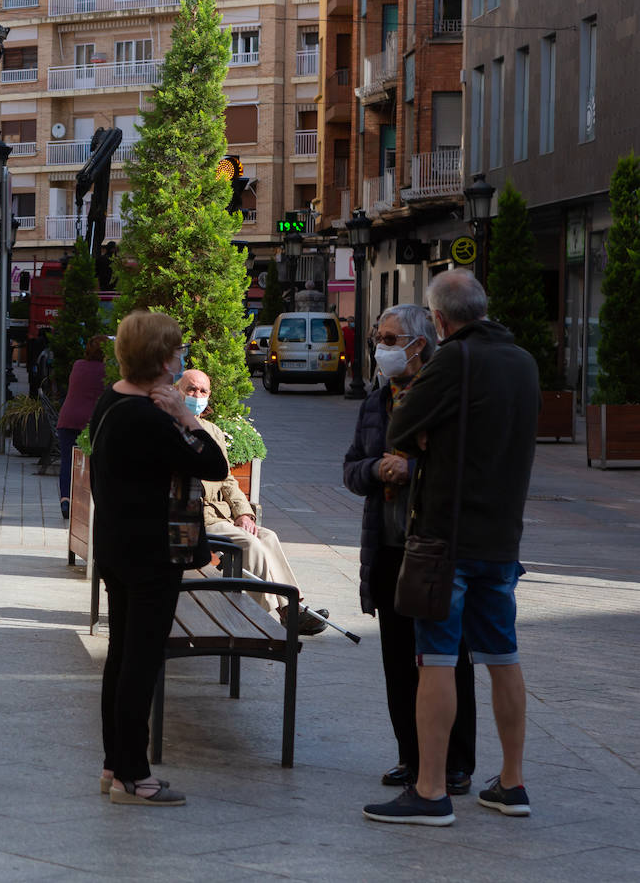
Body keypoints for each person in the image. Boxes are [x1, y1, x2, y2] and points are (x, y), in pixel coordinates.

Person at [364, 269, 540, 826]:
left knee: (435, 659)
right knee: (502, 658)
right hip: (502, 537)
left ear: (439, 321)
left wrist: (426, 435)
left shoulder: (453, 361)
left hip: (446, 537)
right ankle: (511, 782)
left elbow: (401, 426)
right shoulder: (523, 362)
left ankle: (431, 789)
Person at [90, 311, 229, 805]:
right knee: (139, 664)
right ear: (161, 359)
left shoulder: (114, 398)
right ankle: (133, 776)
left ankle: (115, 766)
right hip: (151, 555)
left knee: (122, 657)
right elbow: (213, 463)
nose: (181, 359)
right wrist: (186, 418)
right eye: (176, 351)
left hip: (118, 548)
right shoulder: (151, 416)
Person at [344, 304, 477, 797]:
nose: (383, 348)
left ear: (420, 346)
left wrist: (411, 471)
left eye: (392, 339)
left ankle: (457, 761)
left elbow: (459, 470)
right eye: (380, 337)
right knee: (398, 660)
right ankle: (411, 756)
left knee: (446, 659)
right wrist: (377, 470)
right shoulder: (376, 402)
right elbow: (351, 467)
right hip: (386, 545)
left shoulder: (443, 400)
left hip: (432, 546)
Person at [176, 369, 328, 636]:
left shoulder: (213, 431)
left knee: (267, 537)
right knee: (249, 544)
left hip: (219, 515)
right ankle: (263, 615)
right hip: (194, 518)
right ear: (178, 392)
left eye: (203, 391)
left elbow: (228, 479)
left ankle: (292, 607)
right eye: (191, 389)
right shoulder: (172, 428)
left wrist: (244, 514)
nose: (196, 395)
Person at [56, 335, 109, 519]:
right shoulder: (107, 371)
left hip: (68, 419)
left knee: (67, 461)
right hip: (91, 422)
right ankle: (88, 501)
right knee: (93, 463)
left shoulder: (78, 365)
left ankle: (65, 500)